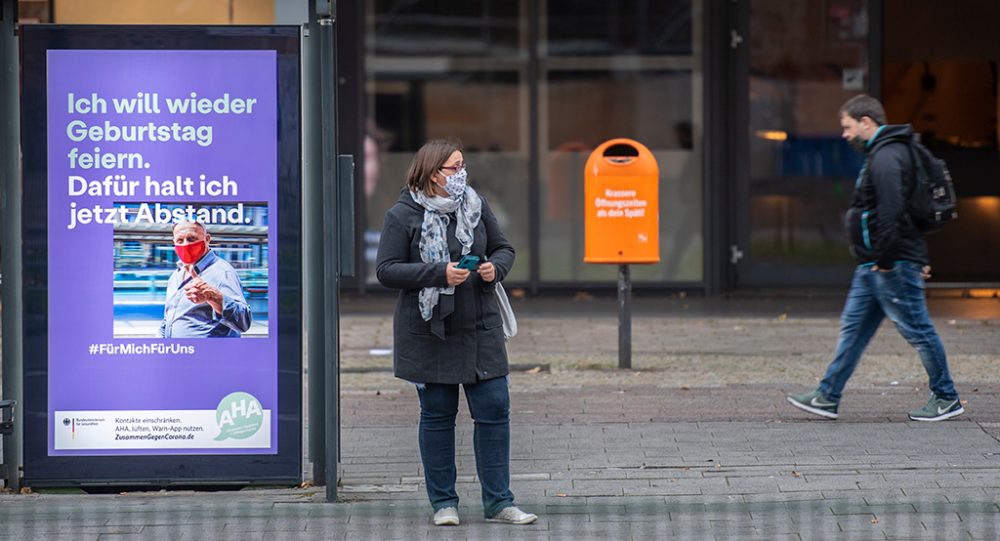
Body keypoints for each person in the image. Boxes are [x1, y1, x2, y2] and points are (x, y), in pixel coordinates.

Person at [376, 140, 537, 526]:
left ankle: (500, 502)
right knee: (437, 415)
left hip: (480, 327)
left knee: (495, 408)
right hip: (431, 331)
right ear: (434, 173)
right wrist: (438, 273)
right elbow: (386, 269)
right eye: (454, 167)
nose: (462, 173)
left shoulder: (475, 206)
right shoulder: (403, 215)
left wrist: (493, 269)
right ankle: (443, 503)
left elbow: (504, 248)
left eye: (463, 165)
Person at [787, 94, 963, 422]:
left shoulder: (887, 156)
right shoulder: (887, 153)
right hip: (875, 264)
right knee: (853, 330)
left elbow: (893, 210)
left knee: (918, 331)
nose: (844, 134)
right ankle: (827, 395)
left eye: (847, 127)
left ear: (866, 122)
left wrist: (885, 259)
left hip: (888, 264)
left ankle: (946, 396)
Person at [159, 221, 252, 338]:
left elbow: (244, 321)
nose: (185, 244)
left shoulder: (222, 272)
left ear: (207, 239)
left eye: (192, 238)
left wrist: (213, 297)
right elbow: (169, 318)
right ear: (174, 243)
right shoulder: (176, 275)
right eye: (180, 240)